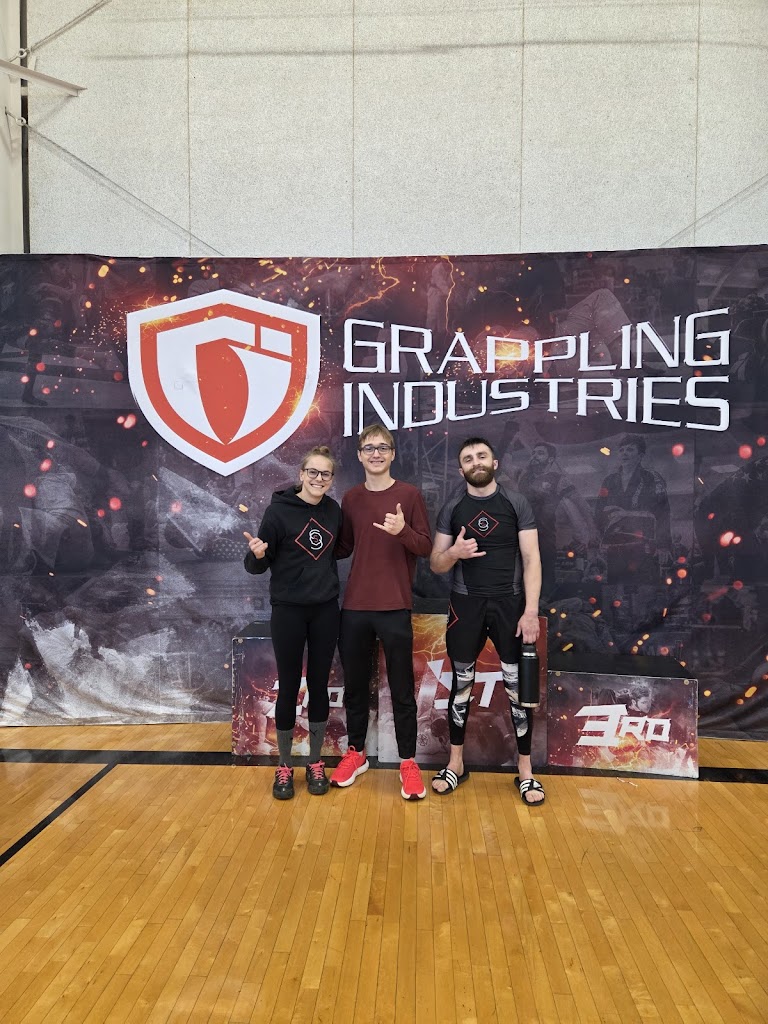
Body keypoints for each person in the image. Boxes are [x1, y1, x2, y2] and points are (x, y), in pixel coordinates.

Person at [429, 437, 545, 805]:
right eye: (468, 458)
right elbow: (436, 564)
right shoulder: (453, 508)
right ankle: (456, 763)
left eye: (481, 456)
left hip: (511, 605)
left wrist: (530, 611)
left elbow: (532, 559)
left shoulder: (516, 503)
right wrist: (454, 552)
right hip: (466, 605)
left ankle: (525, 771)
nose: (475, 462)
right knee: (461, 685)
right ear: (460, 469)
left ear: (494, 463)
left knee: (517, 689)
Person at [331, 424, 432, 800]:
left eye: (383, 447)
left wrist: (402, 531)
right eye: (369, 448)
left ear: (392, 454)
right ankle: (356, 753)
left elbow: (425, 547)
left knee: (402, 689)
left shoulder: (409, 494)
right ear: (359, 456)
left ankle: (408, 762)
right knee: (355, 687)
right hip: (355, 607)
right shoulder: (351, 498)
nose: (376, 453)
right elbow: (342, 547)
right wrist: (299, 536)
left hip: (395, 606)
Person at [244, 446, 342, 801]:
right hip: (288, 610)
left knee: (318, 685)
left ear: (331, 479)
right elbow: (258, 563)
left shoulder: (333, 511)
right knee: (288, 686)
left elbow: (338, 551)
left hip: (325, 610)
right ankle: (284, 765)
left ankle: (315, 762)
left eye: (325, 474)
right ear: (301, 474)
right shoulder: (278, 511)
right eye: (312, 472)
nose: (318, 478)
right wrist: (257, 555)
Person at [595, 434, 671, 583]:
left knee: (643, 586)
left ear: (640, 455)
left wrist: (663, 545)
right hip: (614, 546)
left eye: (630, 450)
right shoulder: (609, 481)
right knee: (615, 587)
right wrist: (595, 544)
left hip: (643, 546)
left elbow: (663, 512)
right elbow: (598, 512)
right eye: (622, 450)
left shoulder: (652, 478)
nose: (624, 453)